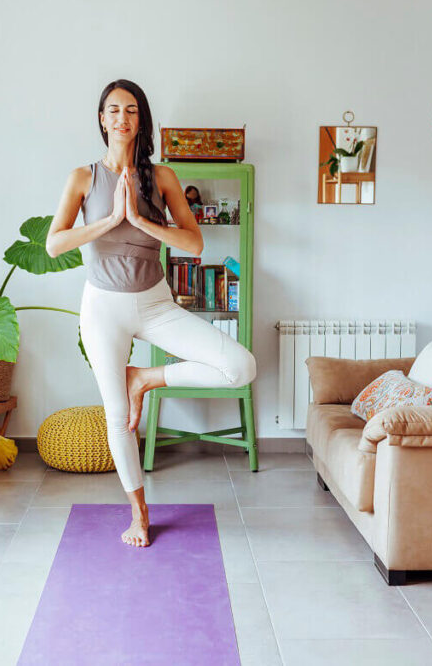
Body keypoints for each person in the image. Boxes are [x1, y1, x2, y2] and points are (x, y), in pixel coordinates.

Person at [45, 79, 257, 548]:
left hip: (156, 302)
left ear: (142, 120)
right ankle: (139, 513)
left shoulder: (161, 179)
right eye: (114, 110)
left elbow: (195, 242)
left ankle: (145, 378)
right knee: (118, 416)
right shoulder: (83, 178)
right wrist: (108, 221)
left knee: (241, 367)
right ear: (102, 119)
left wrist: (141, 221)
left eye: (132, 110)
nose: (122, 118)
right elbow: (54, 242)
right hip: (103, 308)